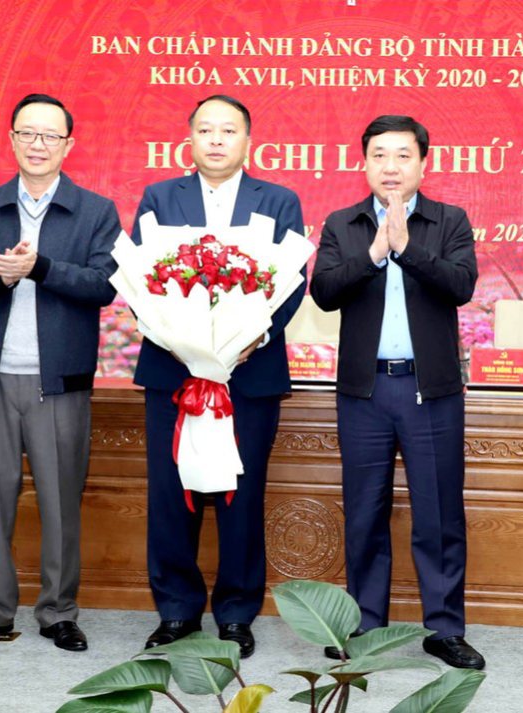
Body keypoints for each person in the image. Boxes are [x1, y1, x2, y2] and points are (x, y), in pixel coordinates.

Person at [0, 94, 120, 652]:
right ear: (12, 140)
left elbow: (104, 286)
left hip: (59, 383)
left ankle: (58, 611)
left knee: (60, 502)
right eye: (27, 133)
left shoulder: (96, 211)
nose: (37, 144)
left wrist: (39, 267)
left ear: (69, 145)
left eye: (49, 136)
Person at [132, 95, 305, 659]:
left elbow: (292, 282)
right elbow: (139, 281)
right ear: (189, 138)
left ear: (247, 141)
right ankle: (177, 611)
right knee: (172, 493)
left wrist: (254, 337)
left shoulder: (277, 201)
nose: (215, 139)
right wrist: (176, 338)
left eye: (227, 130)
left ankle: (235, 613)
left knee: (240, 497)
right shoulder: (160, 197)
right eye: (205, 129)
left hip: (249, 375)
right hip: (173, 373)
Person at [310, 115, 484, 670]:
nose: (391, 166)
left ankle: (445, 628)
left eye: (403, 155)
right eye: (379, 155)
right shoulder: (343, 223)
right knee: (364, 511)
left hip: (430, 391)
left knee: (439, 513)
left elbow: (461, 286)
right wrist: (373, 255)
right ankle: (364, 626)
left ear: (423, 164)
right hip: (364, 393)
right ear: (364, 164)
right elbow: (324, 292)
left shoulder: (449, 221)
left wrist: (407, 248)